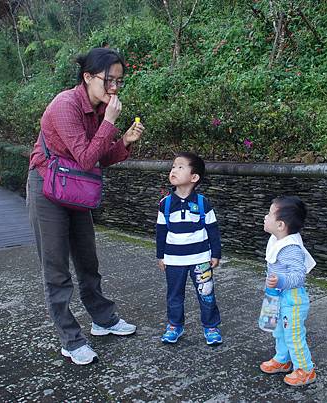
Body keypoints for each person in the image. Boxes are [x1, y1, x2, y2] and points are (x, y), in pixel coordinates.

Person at [26, 48, 145, 365]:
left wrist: (124, 143)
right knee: (56, 269)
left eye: (119, 81)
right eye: (109, 80)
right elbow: (86, 157)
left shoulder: (98, 109)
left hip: (75, 186)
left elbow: (100, 157)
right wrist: (110, 122)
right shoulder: (65, 105)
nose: (115, 88)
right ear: (88, 77)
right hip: (47, 187)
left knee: (88, 261)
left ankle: (103, 319)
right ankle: (70, 339)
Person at [156, 152, 223, 345]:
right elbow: (161, 232)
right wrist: (160, 256)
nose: (174, 170)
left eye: (180, 167)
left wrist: (215, 253)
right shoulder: (165, 204)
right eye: (173, 167)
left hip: (201, 259)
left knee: (206, 294)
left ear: (194, 177)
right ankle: (175, 325)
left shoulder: (202, 203)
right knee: (174, 295)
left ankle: (211, 326)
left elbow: (213, 230)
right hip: (174, 260)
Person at [260, 196, 317, 386]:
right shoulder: (277, 239)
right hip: (276, 295)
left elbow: (299, 276)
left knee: (293, 334)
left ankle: (305, 369)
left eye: (269, 214)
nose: (265, 217)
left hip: (292, 299)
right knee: (278, 331)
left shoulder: (290, 247)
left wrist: (281, 280)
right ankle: (282, 359)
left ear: (281, 224)